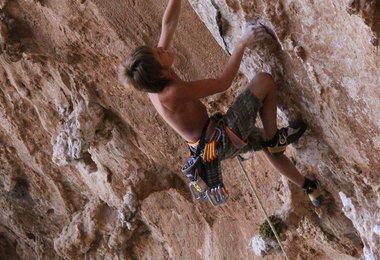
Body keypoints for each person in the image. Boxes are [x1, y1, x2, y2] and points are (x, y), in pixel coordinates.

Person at [119, 0, 323, 207]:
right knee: (264, 81)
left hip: (211, 142)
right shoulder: (172, 93)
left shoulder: (153, 79)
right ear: (160, 72)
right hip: (221, 139)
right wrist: (242, 42)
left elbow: (168, 24)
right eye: (159, 53)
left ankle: (308, 186)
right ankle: (274, 139)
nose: (161, 48)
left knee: (262, 144)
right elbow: (222, 83)